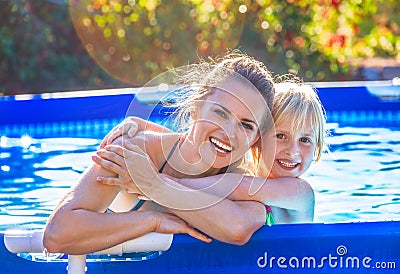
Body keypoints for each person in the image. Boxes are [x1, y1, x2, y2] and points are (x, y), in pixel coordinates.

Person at [43, 52, 276, 255]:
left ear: (256, 138)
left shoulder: (246, 183)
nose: (228, 133)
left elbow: (238, 229)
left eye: (246, 125)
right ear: (196, 109)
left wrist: (155, 186)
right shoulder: (136, 151)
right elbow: (56, 234)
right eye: (220, 113)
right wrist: (151, 220)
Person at [95, 76, 327, 225]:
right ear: (257, 139)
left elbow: (230, 188)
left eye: (305, 140)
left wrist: (151, 181)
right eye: (280, 136)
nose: (293, 150)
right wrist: (141, 124)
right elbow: (189, 139)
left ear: (318, 146)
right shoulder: (243, 170)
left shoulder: (300, 191)